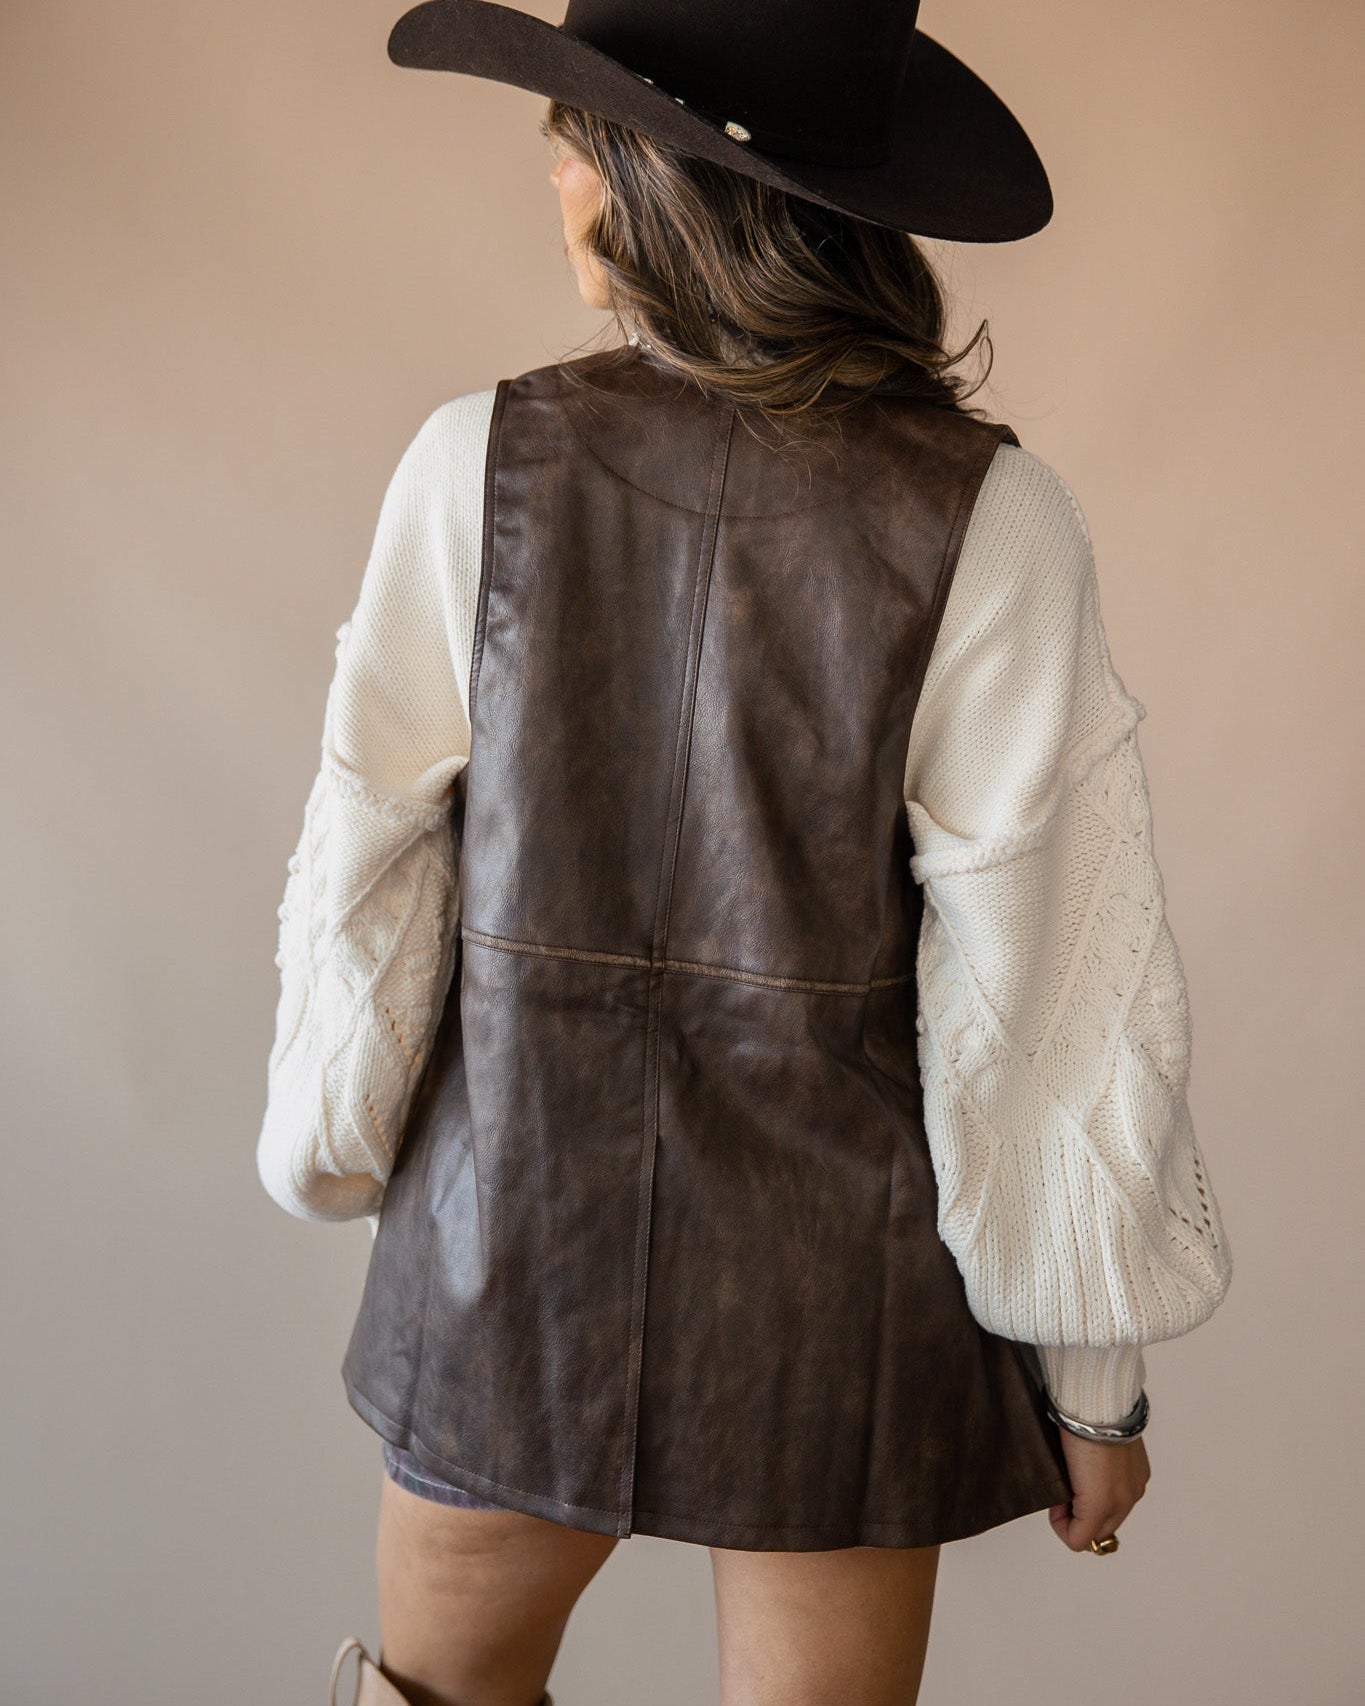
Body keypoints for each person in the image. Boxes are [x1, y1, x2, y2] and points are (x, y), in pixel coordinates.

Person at [258, 5, 1233, 1703]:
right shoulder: (989, 517)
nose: (553, 165)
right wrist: (1090, 1386)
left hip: (511, 1275)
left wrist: (358, 1175)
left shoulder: (471, 464)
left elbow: (366, 877)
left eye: (581, 132)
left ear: (663, 180)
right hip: (833, 1309)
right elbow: (1053, 996)